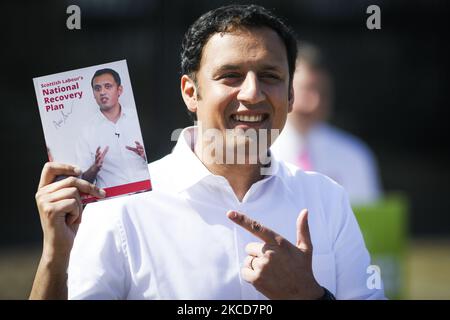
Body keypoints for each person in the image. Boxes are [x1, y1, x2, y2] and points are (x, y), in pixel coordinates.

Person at [30, 4, 385, 300]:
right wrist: (54, 259)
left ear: (290, 95)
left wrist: (310, 296)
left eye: (270, 76)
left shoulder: (328, 199)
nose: (252, 93)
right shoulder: (118, 206)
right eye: (230, 75)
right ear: (190, 92)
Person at [271, 43, 382, 204]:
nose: (314, 103)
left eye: (323, 92)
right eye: (306, 90)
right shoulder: (256, 152)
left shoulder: (354, 155)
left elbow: (370, 221)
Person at [76, 68, 149, 188]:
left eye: (108, 86)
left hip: (148, 192)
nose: (102, 92)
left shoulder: (139, 118)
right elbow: (83, 181)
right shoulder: (87, 131)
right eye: (97, 88)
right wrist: (95, 168)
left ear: (119, 90)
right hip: (112, 200)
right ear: (94, 94)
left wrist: (146, 155)